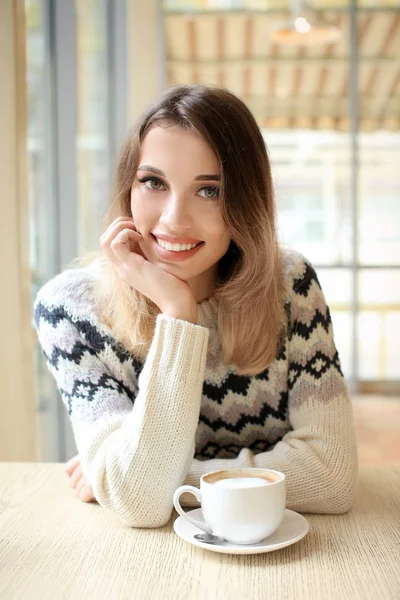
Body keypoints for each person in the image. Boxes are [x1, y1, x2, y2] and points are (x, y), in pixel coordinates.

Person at [34, 84, 358, 528]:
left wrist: (139, 478)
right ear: (128, 187)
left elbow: (332, 476)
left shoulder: (290, 287)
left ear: (246, 201)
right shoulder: (70, 310)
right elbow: (141, 511)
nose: (173, 219)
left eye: (209, 191)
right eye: (153, 182)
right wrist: (178, 315)